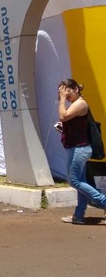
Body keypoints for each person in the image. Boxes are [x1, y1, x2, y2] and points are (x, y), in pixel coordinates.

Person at [57, 78, 106, 224]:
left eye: (67, 91)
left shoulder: (80, 103)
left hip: (79, 148)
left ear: (76, 89)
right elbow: (68, 121)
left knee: (74, 181)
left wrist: (61, 100)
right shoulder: (75, 104)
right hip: (75, 147)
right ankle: (78, 216)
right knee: (81, 181)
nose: (66, 95)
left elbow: (63, 116)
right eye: (62, 92)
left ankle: (103, 202)